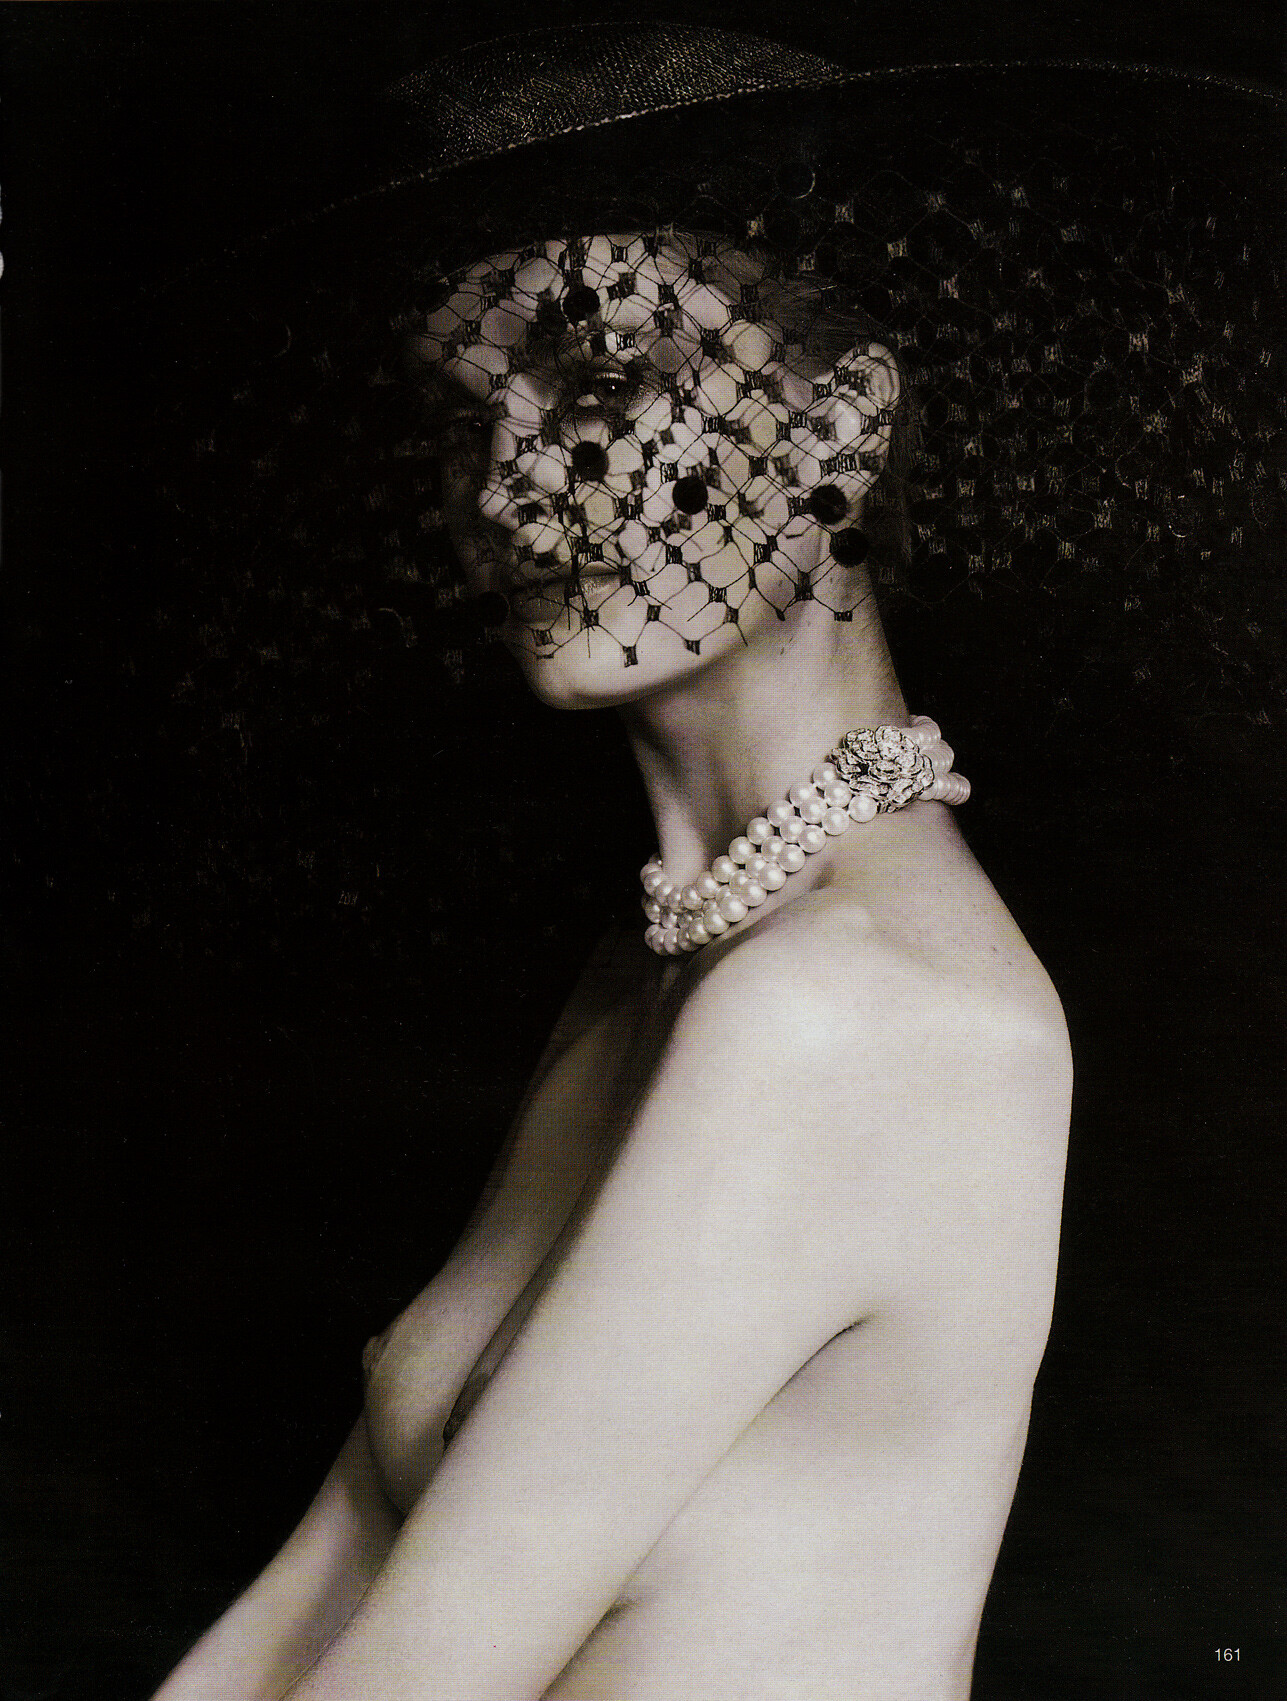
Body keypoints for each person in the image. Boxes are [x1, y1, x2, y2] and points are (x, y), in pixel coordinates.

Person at [149, 20, 1280, 1700]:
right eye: (464, 418)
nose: (512, 488)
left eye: (601, 385)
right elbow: (323, 1583)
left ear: (836, 430)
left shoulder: (860, 1015)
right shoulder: (661, 964)